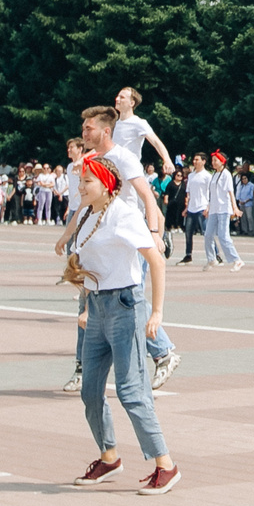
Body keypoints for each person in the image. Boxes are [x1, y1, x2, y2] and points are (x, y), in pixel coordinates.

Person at [65, 154, 179, 493]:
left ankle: (166, 465)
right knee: (90, 390)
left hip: (125, 306)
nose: (81, 187)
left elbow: (156, 262)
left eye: (87, 181)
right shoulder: (89, 215)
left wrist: (155, 311)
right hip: (97, 309)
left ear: (106, 184)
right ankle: (109, 457)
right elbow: (88, 262)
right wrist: (85, 300)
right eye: (81, 181)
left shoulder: (123, 215)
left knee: (131, 392)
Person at [75, 105, 179, 386]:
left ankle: (162, 352)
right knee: (95, 296)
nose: (84, 132)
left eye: (89, 128)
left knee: (129, 297)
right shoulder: (94, 159)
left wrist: (155, 232)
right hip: (104, 231)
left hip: (130, 235)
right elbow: (86, 201)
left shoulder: (124, 157)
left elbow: (147, 195)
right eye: (83, 127)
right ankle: (84, 367)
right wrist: (69, 234)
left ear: (105, 131)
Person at [110, 87, 176, 175]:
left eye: (122, 97)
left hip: (130, 172)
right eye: (117, 96)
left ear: (131, 103)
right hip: (114, 171)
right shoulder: (114, 124)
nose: (117, 99)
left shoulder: (138, 122)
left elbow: (156, 142)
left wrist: (167, 160)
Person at [205, 151, 241, 267]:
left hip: (224, 209)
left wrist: (234, 207)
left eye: (216, 160)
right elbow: (212, 194)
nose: (213, 163)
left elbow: (230, 192)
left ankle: (236, 259)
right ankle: (211, 258)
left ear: (222, 162)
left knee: (223, 236)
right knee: (208, 234)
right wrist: (208, 206)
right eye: (213, 160)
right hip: (214, 209)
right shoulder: (214, 174)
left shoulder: (226, 174)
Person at [179, 154, 211, 265]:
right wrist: (186, 208)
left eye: (197, 159)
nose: (195, 161)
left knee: (206, 233)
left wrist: (208, 207)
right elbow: (188, 193)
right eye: (194, 159)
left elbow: (211, 193)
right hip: (192, 208)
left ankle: (215, 255)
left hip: (202, 207)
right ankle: (188, 255)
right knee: (188, 233)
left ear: (203, 161)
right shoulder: (191, 176)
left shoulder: (207, 176)